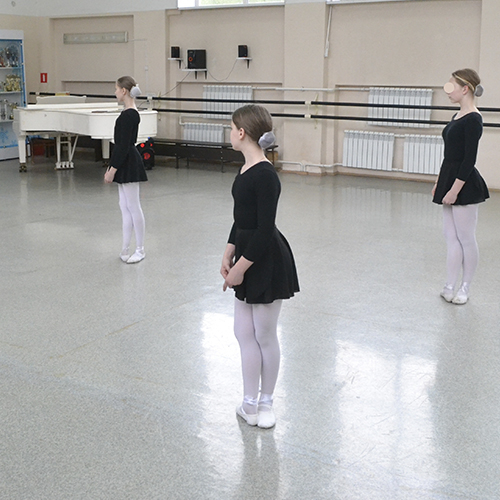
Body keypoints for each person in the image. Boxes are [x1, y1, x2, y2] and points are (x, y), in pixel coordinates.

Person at [221, 105, 299, 428]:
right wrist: (229, 249)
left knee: (265, 334)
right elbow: (242, 218)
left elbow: (265, 229)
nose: (229, 133)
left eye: (231, 128)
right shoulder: (245, 169)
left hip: (265, 260)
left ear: (241, 133)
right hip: (245, 253)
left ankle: (266, 401)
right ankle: (249, 402)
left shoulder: (266, 175)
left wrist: (241, 268)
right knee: (243, 332)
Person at [432, 69, 489, 304]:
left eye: (451, 86)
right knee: (450, 237)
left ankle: (465, 287)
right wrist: (439, 183)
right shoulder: (457, 115)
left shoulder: (474, 119)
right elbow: (449, 155)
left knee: (466, 237)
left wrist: (454, 190)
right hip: (449, 178)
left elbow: (468, 160)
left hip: (464, 184)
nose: (447, 91)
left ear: (465, 89)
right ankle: (449, 285)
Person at [104, 75, 147, 264]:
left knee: (133, 206)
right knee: (125, 206)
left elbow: (122, 145)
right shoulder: (129, 113)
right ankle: (125, 247)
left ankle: (140, 249)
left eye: (116, 89)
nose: (115, 92)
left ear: (124, 91)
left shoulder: (129, 115)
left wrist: (112, 169)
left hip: (128, 162)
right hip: (125, 160)